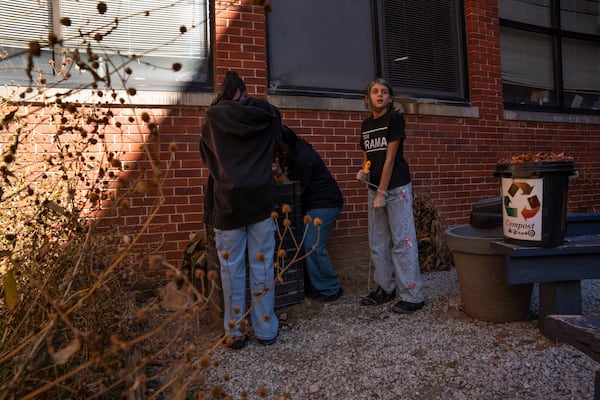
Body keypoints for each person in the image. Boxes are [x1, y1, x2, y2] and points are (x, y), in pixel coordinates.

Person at [199, 71, 281, 349]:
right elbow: (274, 116)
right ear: (244, 93)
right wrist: (248, 103)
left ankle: (234, 334)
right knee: (263, 268)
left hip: (228, 204)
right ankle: (266, 330)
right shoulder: (264, 116)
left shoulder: (213, 119)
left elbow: (204, 155)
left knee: (231, 272)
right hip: (260, 201)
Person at [356, 77, 425, 314]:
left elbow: (389, 158)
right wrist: (364, 172)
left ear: (390, 98)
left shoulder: (394, 119)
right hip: (375, 189)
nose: (379, 95)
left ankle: (413, 296)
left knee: (402, 241)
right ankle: (385, 288)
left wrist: (382, 193)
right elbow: (369, 157)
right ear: (368, 99)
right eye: (375, 91)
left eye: (384, 92)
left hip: (395, 188)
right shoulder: (366, 125)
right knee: (377, 241)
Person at [272, 126, 344, 302]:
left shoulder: (304, 156)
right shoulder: (287, 155)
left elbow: (296, 192)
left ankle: (330, 289)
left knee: (312, 244)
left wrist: (279, 174)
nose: (277, 151)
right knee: (303, 244)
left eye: (279, 147)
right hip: (309, 205)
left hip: (325, 202)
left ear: (287, 142)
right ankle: (315, 285)